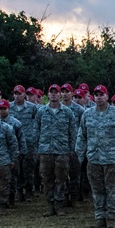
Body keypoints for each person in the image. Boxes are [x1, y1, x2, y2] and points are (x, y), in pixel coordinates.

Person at [75, 85, 115, 228]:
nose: (99, 97)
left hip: (111, 160)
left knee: (111, 189)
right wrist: (80, 155)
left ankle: (111, 218)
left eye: (102, 94)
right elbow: (82, 136)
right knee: (97, 190)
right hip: (94, 159)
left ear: (107, 96)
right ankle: (99, 217)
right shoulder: (87, 114)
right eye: (96, 94)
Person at [36, 84, 78, 216]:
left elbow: (73, 133)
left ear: (60, 95)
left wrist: (72, 151)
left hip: (62, 151)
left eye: (56, 92)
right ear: (47, 95)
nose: (54, 94)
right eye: (51, 92)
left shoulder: (67, 112)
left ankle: (59, 205)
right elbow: (36, 131)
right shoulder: (41, 111)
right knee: (47, 179)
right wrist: (38, 149)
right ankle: (50, 205)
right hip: (45, 151)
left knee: (61, 179)